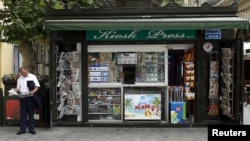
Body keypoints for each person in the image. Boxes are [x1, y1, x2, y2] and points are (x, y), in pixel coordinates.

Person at [13, 67, 40, 135]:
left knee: (31, 113)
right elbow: (18, 89)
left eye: (24, 73)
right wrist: (14, 90)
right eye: (22, 73)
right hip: (22, 97)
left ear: (27, 71)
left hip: (30, 97)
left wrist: (33, 91)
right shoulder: (19, 79)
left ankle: (32, 129)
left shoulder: (32, 77)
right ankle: (22, 129)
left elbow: (37, 86)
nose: (23, 74)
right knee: (23, 114)